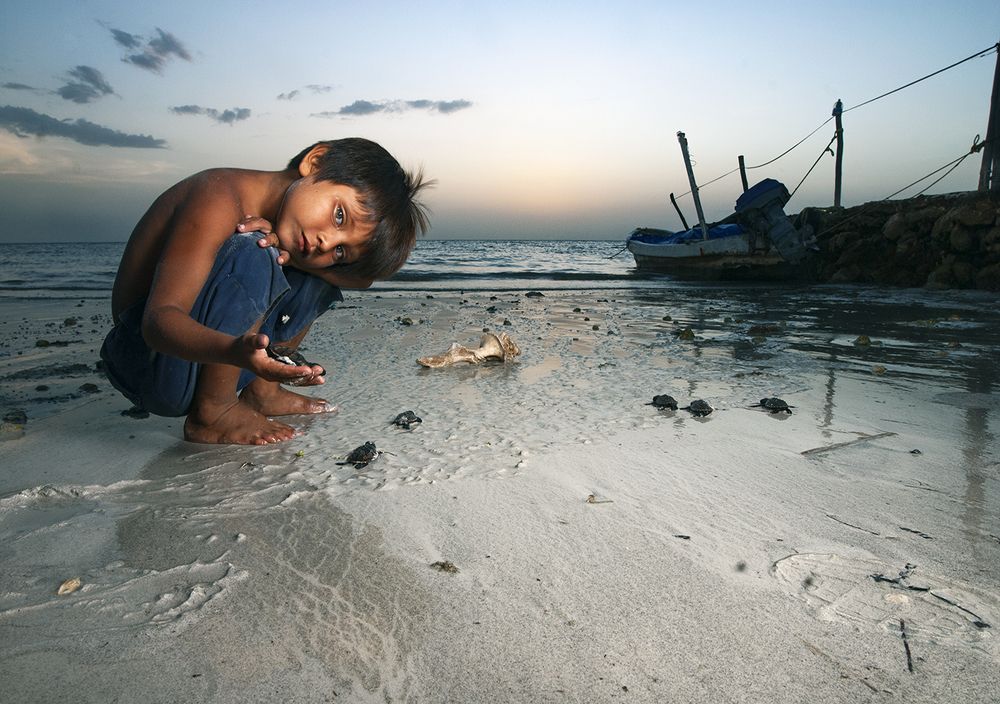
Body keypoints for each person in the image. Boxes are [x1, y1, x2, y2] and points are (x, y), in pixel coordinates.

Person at [101, 137, 430, 445]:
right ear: (316, 162)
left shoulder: (299, 233)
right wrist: (234, 350)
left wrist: (304, 264)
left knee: (316, 275)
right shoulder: (218, 195)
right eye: (340, 216)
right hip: (149, 360)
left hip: (218, 357)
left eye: (342, 251)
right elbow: (157, 321)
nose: (327, 242)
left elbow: (362, 280)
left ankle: (262, 392)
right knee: (257, 251)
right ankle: (213, 411)